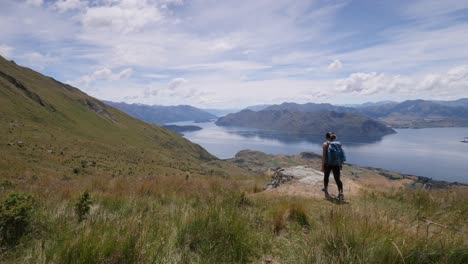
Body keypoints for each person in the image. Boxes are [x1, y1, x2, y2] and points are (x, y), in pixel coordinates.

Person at [321, 132, 345, 201]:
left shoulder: (325, 144)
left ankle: (325, 188)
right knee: (337, 179)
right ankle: (341, 193)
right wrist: (340, 163)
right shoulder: (337, 144)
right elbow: (339, 155)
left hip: (328, 164)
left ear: (326, 137)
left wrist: (322, 166)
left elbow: (324, 156)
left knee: (326, 176)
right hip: (336, 164)